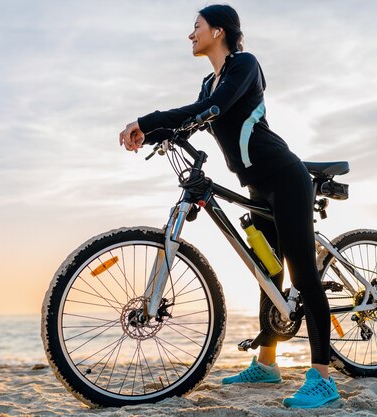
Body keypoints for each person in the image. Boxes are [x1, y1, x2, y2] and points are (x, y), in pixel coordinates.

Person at [119, 4, 339, 409]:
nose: (191, 34)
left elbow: (213, 109)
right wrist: (150, 136)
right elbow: (194, 117)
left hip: (285, 178)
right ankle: (268, 363)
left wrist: (145, 120)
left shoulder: (244, 66)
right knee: (267, 272)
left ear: (218, 31)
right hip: (256, 184)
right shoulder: (210, 81)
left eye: (196, 27)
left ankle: (323, 379)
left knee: (302, 275)